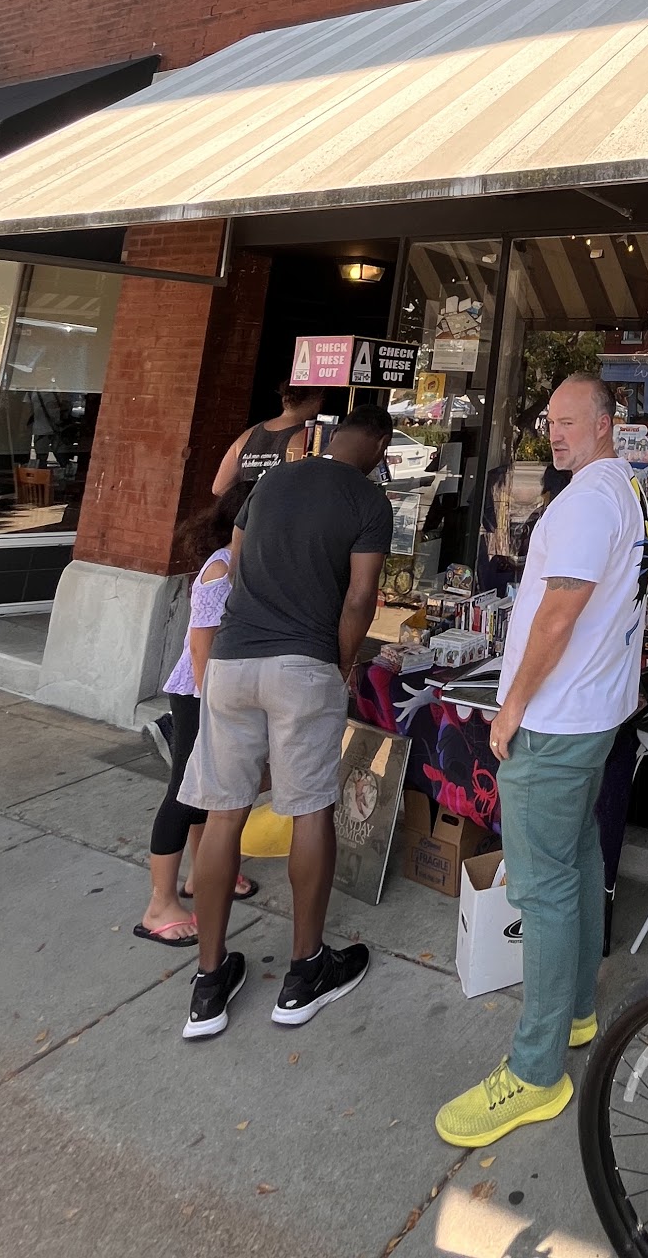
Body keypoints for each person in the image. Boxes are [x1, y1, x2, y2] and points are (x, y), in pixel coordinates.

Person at [435, 375, 646, 1149]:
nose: (555, 434)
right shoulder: (621, 491)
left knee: (544, 888)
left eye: (570, 421)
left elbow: (559, 613)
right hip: (592, 716)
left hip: (556, 722)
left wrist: (513, 702)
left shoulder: (591, 500)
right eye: (550, 421)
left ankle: (535, 1071)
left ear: (605, 424)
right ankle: (578, 1011)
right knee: (579, 861)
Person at [179, 403, 394, 1041]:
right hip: (303, 664)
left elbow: (236, 561)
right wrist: (341, 665)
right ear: (379, 445)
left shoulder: (272, 481)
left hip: (232, 661)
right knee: (309, 809)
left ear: (333, 436)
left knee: (224, 815)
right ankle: (304, 970)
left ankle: (208, 984)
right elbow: (361, 595)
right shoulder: (368, 499)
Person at [134, 483, 258, 946]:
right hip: (199, 693)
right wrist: (214, 705)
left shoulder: (246, 562)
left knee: (208, 786)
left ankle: (202, 874)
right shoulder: (221, 568)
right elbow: (201, 644)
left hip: (219, 692)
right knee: (184, 793)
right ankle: (159, 904)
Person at [211, 381, 327, 495]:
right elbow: (306, 485)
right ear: (317, 401)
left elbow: (219, 488)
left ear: (284, 399)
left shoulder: (247, 436)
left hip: (247, 506)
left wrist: (249, 498)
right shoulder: (307, 437)